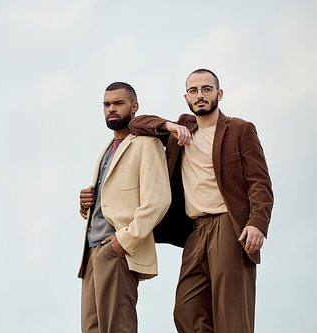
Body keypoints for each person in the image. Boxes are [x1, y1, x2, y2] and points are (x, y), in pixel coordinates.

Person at [128, 69, 274, 333]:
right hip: (194, 232)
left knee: (232, 315)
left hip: (230, 228)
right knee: (187, 311)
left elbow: (260, 183)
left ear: (218, 94)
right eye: (193, 91)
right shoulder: (182, 129)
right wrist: (169, 126)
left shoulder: (240, 130)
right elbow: (135, 124)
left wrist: (257, 224)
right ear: (186, 97)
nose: (200, 95)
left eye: (206, 89)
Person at [78, 82, 171, 333]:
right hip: (91, 253)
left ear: (134, 107)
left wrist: (124, 241)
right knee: (91, 329)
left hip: (117, 249)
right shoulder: (106, 150)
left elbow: (159, 199)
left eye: (118, 103)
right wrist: (86, 203)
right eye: (107, 104)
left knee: (118, 328)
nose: (111, 109)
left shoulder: (146, 144)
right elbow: (112, 198)